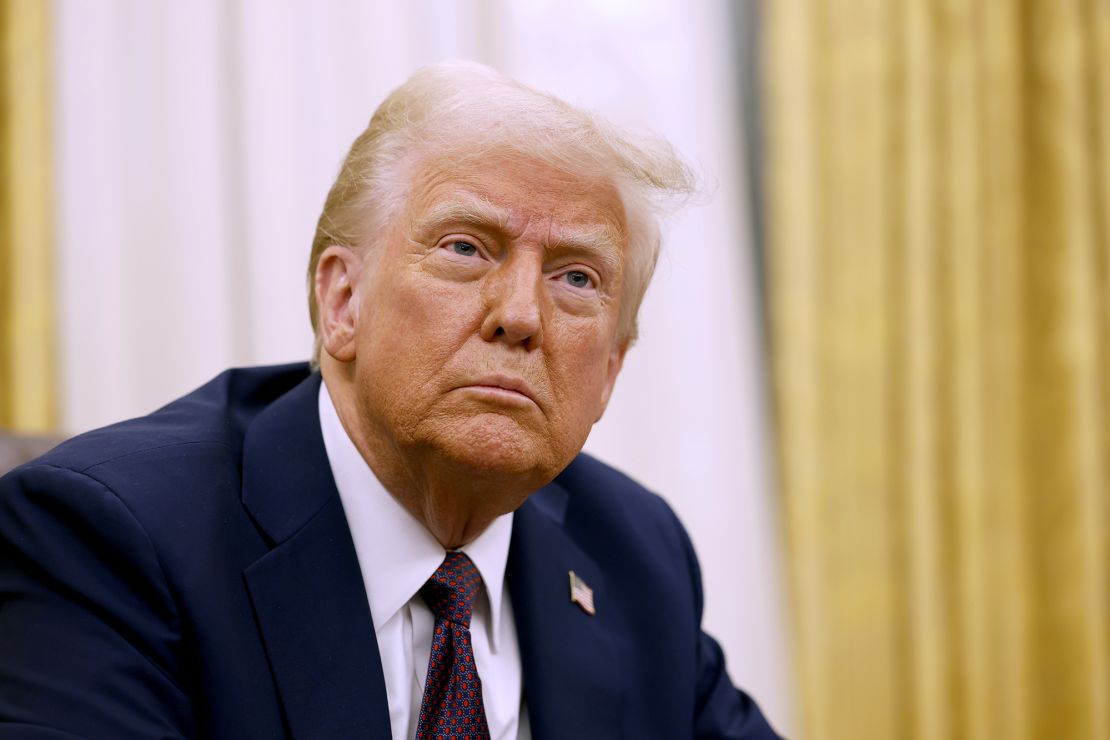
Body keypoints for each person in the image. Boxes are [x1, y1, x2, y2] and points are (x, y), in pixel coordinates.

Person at [0, 61, 781, 739]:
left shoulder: (633, 554)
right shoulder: (110, 540)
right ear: (343, 302)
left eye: (577, 277)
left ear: (610, 368)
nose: (520, 314)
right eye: (466, 247)